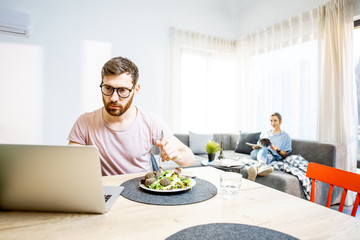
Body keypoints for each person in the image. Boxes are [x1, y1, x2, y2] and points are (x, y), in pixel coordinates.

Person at [68, 56, 194, 175]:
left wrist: (177, 155)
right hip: (105, 194)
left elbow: (190, 158)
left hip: (142, 192)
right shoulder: (85, 122)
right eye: (108, 88)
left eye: (122, 90)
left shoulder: (150, 122)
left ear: (136, 90)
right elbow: (69, 164)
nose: (113, 98)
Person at [247, 112, 292, 181]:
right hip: (257, 152)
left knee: (267, 153)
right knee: (265, 146)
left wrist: (277, 149)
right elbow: (259, 144)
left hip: (272, 156)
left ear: (280, 121)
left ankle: (256, 168)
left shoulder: (286, 136)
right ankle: (262, 166)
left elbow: (284, 155)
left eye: (275, 120)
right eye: (271, 121)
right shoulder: (266, 133)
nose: (273, 123)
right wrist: (257, 146)